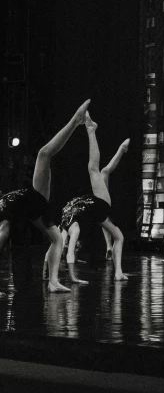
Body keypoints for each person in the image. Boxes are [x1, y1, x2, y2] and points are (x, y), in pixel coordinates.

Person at [0, 100, 91, 295]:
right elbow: (5, 231)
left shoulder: (3, 218)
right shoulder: (4, 224)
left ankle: (53, 282)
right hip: (28, 204)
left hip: (26, 205)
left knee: (57, 238)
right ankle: (75, 121)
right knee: (44, 154)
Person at [55, 112, 129, 284]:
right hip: (97, 207)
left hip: (98, 209)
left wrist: (62, 276)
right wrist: (67, 276)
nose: (78, 246)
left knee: (97, 171)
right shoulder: (67, 231)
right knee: (97, 171)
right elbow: (65, 250)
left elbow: (67, 252)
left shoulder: (68, 231)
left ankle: (118, 272)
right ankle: (93, 132)